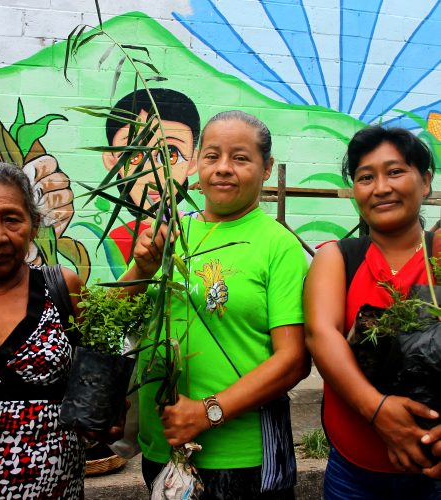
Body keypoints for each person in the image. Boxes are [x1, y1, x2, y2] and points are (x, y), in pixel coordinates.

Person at [123, 110, 310, 499]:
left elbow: (292, 360)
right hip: (163, 450)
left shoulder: (279, 246)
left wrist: (207, 411)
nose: (223, 168)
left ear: (266, 168)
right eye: (212, 155)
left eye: (240, 158)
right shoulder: (171, 232)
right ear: (197, 163)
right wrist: (142, 268)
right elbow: (107, 318)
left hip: (242, 458)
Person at [0, 163, 122, 498]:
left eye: (12, 219)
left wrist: (109, 415)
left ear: (34, 225)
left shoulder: (62, 288)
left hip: (55, 488)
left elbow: (99, 374)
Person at [304, 126, 441, 499]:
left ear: (426, 181)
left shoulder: (439, 253)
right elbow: (321, 335)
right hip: (353, 475)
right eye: (366, 177)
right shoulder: (337, 258)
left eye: (395, 172)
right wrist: (379, 411)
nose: (381, 188)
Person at [104, 89, 200, 262]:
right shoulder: (115, 240)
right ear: (111, 161)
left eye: (171, 155)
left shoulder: (197, 231)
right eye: (135, 156)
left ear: (193, 162)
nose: (152, 176)